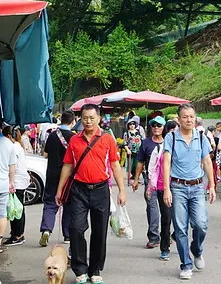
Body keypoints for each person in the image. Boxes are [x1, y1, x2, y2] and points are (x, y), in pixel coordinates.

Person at [56, 104, 126, 284]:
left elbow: (115, 165)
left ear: (99, 118)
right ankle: (80, 269)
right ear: (80, 118)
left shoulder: (107, 139)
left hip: (101, 190)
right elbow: (67, 165)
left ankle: (95, 270)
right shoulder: (74, 140)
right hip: (78, 190)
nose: (88, 121)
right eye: (85, 118)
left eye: (92, 118)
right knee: (76, 228)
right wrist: (59, 190)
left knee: (99, 231)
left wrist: (121, 190)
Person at [163, 104, 216, 280]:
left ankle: (197, 250)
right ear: (178, 120)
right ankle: (186, 264)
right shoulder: (171, 137)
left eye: (191, 117)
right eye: (185, 117)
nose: (189, 120)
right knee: (180, 229)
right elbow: (166, 163)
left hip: (197, 187)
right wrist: (166, 189)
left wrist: (213, 186)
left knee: (201, 224)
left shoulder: (201, 137)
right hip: (178, 187)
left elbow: (207, 162)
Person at [40, 110, 75, 247]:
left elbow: (45, 154)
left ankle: (46, 230)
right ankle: (67, 235)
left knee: (50, 202)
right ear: (72, 122)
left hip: (52, 174)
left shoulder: (53, 135)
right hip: (68, 176)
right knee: (69, 204)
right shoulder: (74, 137)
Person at [132, 115, 166, 249]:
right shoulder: (145, 143)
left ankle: (166, 236)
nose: (156, 128)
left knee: (166, 210)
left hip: (166, 181)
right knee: (152, 209)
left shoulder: (169, 142)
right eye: (154, 125)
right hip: (150, 181)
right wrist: (136, 180)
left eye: (159, 125)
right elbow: (140, 162)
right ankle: (153, 237)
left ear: (163, 127)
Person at [148, 120, 179, 261]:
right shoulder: (160, 149)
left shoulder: (184, 147)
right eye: (171, 131)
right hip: (163, 187)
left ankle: (176, 236)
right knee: (166, 218)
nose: (174, 134)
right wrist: (150, 187)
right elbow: (153, 169)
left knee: (181, 218)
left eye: (176, 131)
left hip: (181, 187)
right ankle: (165, 247)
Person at [3, 125, 30, 246]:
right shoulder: (18, 145)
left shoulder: (13, 147)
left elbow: (12, 167)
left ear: (9, 136)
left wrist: (11, 182)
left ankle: (18, 235)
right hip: (21, 180)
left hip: (17, 181)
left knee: (16, 208)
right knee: (18, 207)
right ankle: (17, 233)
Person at [125, 119, 143, 183]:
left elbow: (142, 139)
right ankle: (129, 180)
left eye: (133, 124)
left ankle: (136, 178)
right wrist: (127, 149)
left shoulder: (138, 132)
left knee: (137, 165)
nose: (132, 125)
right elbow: (125, 143)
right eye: (130, 124)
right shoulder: (126, 133)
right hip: (130, 151)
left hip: (138, 151)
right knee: (130, 166)